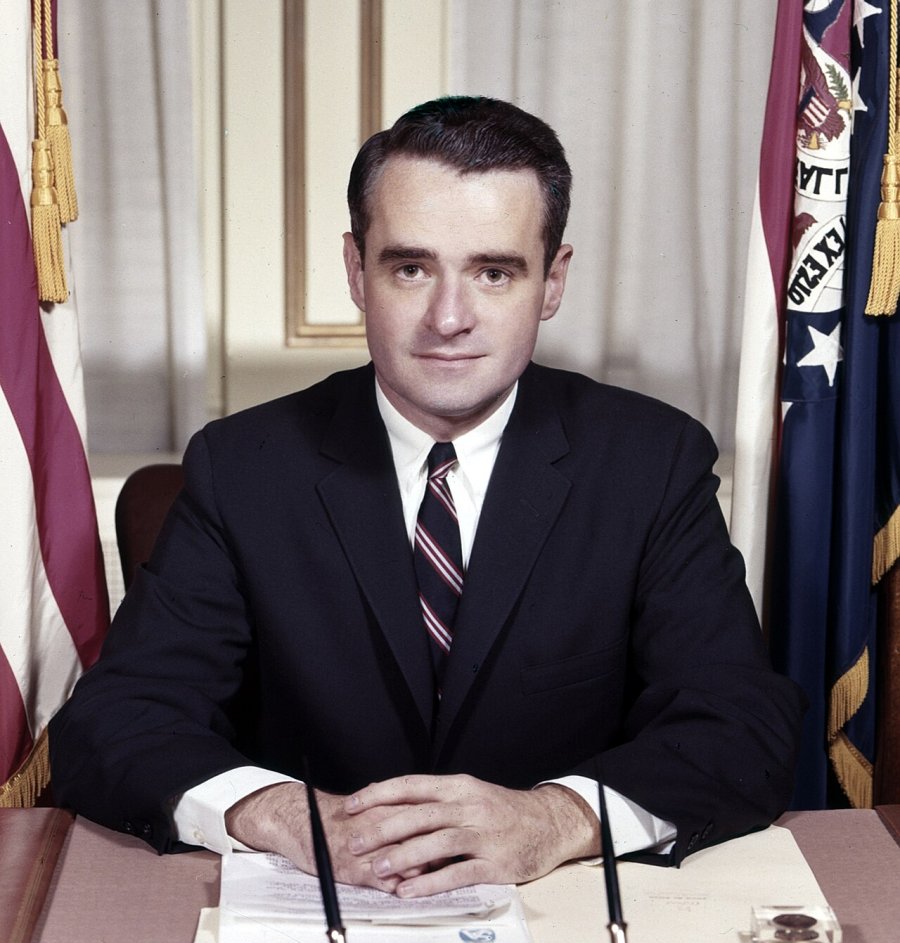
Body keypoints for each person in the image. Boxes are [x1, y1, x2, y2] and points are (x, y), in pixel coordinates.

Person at [49, 96, 803, 898]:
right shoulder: (243, 467)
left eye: (494, 273)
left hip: (565, 914)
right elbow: (116, 721)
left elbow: (742, 726)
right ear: (355, 271)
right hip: (317, 914)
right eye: (411, 269)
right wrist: (278, 814)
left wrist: (555, 821)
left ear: (552, 282)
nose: (449, 318)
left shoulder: (651, 462)